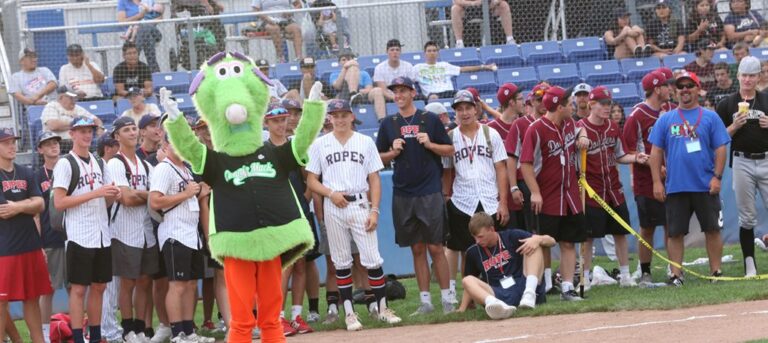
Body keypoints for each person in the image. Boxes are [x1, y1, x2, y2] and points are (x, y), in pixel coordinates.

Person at [307, 99, 402, 331]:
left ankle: (382, 309)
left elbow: (374, 178)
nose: (339, 119)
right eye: (335, 115)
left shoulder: (365, 141)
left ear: (352, 117)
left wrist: (375, 209)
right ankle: (349, 313)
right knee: (341, 261)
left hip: (360, 203)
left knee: (372, 259)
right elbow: (311, 180)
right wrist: (330, 193)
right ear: (329, 118)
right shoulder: (320, 144)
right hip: (334, 205)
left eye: (344, 114)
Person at [375, 77, 455, 315]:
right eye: (395, 92)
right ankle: (426, 302)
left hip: (429, 191)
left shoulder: (429, 119)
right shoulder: (388, 123)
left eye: (402, 91)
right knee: (417, 248)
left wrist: (430, 144)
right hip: (403, 193)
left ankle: (448, 299)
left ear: (412, 93)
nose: (398, 95)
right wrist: (393, 151)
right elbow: (377, 158)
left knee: (436, 247)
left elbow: (450, 150)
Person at [649, 71, 730, 286]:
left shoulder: (711, 117)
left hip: (705, 185)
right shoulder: (665, 119)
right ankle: (676, 274)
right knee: (675, 232)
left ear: (698, 89)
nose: (685, 90)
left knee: (712, 229)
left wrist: (717, 177)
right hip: (676, 186)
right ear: (676, 91)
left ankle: (716, 272)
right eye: (681, 86)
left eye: (689, 86)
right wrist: (657, 181)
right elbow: (655, 152)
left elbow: (721, 148)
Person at [53, 116, 121, 343]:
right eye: (81, 131)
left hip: (102, 233)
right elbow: (59, 202)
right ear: (72, 134)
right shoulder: (66, 163)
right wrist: (96, 193)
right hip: (79, 235)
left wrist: (113, 195)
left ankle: (95, 335)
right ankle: (76, 337)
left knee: (100, 287)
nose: (87, 135)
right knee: (79, 289)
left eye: (90, 131)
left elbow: (107, 199)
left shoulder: (100, 162)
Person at [519, 86, 590, 301]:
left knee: (569, 242)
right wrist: (535, 193)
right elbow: (526, 164)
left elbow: (580, 129)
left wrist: (583, 135)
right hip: (547, 197)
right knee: (542, 242)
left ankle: (567, 287)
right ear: (559, 107)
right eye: (569, 104)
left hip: (570, 196)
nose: (573, 107)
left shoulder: (569, 123)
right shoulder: (536, 129)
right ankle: (537, 287)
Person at [442, 90, 509, 306]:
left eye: (468, 108)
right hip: (462, 199)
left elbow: (501, 168)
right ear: (455, 113)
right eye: (459, 109)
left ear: (475, 109)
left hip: (490, 199)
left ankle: (499, 287)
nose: (464, 113)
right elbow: (447, 171)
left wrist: (503, 202)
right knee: (458, 247)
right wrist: (446, 197)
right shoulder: (450, 137)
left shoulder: (491, 134)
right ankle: (455, 293)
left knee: (497, 245)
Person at [576, 86, 647, 290]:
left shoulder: (613, 128)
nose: (607, 108)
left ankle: (625, 275)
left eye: (609, 104)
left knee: (620, 233)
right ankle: (586, 278)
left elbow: (620, 154)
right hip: (591, 191)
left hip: (614, 189)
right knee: (588, 237)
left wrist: (636, 158)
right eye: (603, 104)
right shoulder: (579, 127)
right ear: (591, 104)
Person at [259, 105, 315, 336]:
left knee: (301, 263)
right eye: (275, 121)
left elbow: (308, 176)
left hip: (299, 212)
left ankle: (296, 316)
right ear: (266, 124)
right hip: (276, 216)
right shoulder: (262, 150)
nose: (281, 124)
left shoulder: (295, 146)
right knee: (285, 266)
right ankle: (277, 316)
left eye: (283, 119)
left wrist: (305, 200)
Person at [149, 134, 209, 343]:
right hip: (175, 233)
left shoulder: (185, 168)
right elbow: (155, 201)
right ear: (165, 145)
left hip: (191, 234)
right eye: (176, 142)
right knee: (177, 285)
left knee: (191, 284)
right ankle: (177, 333)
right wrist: (186, 194)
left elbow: (190, 195)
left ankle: (189, 331)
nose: (182, 146)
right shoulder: (164, 168)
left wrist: (198, 192)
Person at [107, 117, 159, 342]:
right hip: (124, 230)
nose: (132, 133)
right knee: (128, 282)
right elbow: (126, 199)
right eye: (126, 130)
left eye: (133, 129)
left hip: (146, 230)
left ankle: (140, 327)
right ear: (117, 136)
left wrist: (142, 195)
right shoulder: (115, 163)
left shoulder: (145, 164)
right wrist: (148, 196)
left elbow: (156, 197)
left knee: (145, 281)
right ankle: (127, 329)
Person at [716, 56, 768, 277]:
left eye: (752, 75)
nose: (748, 79)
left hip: (766, 159)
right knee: (746, 216)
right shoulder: (727, 103)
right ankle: (750, 265)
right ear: (738, 76)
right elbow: (717, 138)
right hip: (741, 161)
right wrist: (733, 126)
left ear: (759, 77)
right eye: (744, 75)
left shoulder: (766, 100)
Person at [0, 127, 49, 343]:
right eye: (6, 142)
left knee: (32, 298)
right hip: (5, 248)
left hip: (30, 244)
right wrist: (28, 204)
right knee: (1, 302)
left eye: (13, 141)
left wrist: (20, 206)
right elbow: (3, 210)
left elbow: (40, 204)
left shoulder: (26, 172)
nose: (12, 146)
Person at [622, 71, 670, 285]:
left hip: (671, 178)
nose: (671, 88)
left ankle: (673, 268)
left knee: (673, 225)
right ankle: (645, 271)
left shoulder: (669, 110)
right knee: (648, 227)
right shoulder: (637, 115)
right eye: (667, 85)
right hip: (645, 181)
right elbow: (627, 150)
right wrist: (646, 160)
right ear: (658, 89)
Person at [503, 82, 552, 290]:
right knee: (531, 232)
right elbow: (511, 158)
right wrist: (514, 187)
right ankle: (533, 280)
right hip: (526, 184)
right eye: (539, 99)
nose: (542, 103)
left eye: (546, 99)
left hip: (550, 184)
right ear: (531, 101)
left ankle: (548, 280)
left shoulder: (555, 122)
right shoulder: (521, 124)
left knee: (548, 233)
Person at [457, 212, 553, 318]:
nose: (477, 241)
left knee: (534, 244)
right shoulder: (473, 252)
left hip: (523, 284)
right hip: (498, 292)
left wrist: (538, 239)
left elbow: (551, 241)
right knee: (467, 280)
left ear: (491, 229)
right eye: (474, 237)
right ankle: (495, 305)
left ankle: (529, 295)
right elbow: (469, 284)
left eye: (480, 237)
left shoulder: (511, 236)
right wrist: (462, 308)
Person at [34, 132, 66, 343]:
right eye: (48, 144)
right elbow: (35, 213)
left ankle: (77, 329)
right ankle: (45, 333)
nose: (53, 146)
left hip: (74, 236)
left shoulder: (70, 168)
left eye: (55, 143)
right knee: (48, 289)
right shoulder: (36, 176)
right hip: (50, 238)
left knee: (77, 286)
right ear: (40, 150)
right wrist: (39, 244)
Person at [414, 41, 497, 101]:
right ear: (424, 53)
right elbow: (408, 80)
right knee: (433, 98)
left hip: (448, 93)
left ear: (438, 53)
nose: (432, 53)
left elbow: (463, 69)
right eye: (429, 51)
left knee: (463, 96)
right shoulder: (418, 68)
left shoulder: (444, 65)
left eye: (434, 51)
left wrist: (484, 67)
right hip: (431, 95)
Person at [41, 86, 104, 155]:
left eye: (75, 98)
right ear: (61, 97)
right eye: (70, 98)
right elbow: (53, 125)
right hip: (59, 143)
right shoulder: (52, 106)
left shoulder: (78, 108)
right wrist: (77, 124)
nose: (74, 100)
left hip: (78, 141)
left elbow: (96, 120)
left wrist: (100, 128)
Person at [330, 49, 386, 120]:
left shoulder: (364, 73)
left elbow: (369, 88)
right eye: (343, 60)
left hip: (361, 95)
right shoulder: (334, 75)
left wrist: (359, 91)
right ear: (339, 62)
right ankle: (353, 94)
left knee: (377, 90)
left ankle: (382, 120)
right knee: (352, 69)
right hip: (344, 95)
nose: (347, 62)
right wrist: (345, 68)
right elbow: (337, 86)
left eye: (349, 59)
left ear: (353, 60)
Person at [117, 0, 162, 73]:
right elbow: (121, 22)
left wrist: (146, 22)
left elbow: (160, 16)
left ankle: (132, 63)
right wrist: (139, 16)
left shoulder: (148, 1)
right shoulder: (123, 2)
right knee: (146, 35)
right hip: (133, 34)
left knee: (144, 27)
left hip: (154, 33)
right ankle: (154, 71)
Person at [450, 0, 515, 48]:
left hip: (488, 6)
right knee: (455, 9)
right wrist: (472, 3)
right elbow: (456, 1)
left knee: (504, 5)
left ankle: (510, 39)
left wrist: (495, 1)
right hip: (468, 7)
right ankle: (459, 43)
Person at [373, 40, 418, 104]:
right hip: (388, 97)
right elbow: (382, 89)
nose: (395, 52)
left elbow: (410, 86)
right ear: (387, 51)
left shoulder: (408, 66)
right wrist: (395, 98)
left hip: (406, 96)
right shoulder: (379, 68)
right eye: (392, 50)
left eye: (397, 50)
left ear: (400, 52)